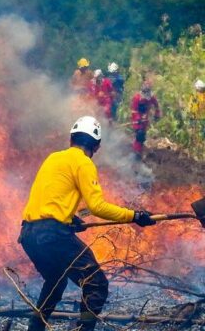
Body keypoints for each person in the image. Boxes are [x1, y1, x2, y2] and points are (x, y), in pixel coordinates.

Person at [19, 116, 156, 331]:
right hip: (53, 235)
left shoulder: (53, 158)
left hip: (28, 234)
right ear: (97, 146)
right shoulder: (84, 162)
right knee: (96, 284)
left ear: (71, 138)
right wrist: (135, 216)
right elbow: (97, 206)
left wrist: (70, 218)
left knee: (56, 280)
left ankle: (35, 327)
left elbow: (47, 197)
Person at [131, 81, 161, 158]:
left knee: (143, 134)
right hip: (137, 118)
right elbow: (134, 110)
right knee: (139, 134)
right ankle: (136, 151)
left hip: (145, 117)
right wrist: (138, 118)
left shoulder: (151, 97)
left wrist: (157, 114)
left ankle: (140, 150)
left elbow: (156, 105)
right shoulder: (137, 98)